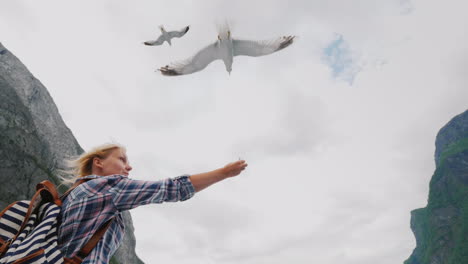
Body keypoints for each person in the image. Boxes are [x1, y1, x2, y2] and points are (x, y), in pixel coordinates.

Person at [58, 143, 247, 264]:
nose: (129, 166)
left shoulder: (71, 195)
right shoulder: (107, 187)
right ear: (98, 163)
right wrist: (224, 173)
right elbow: (172, 189)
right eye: (122, 159)